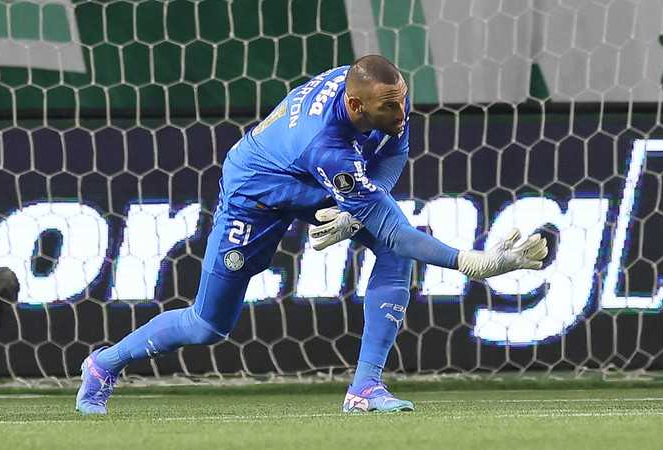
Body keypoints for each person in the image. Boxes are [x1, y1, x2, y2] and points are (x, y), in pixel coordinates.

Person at [75, 55, 548, 414]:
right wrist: (471, 262)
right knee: (208, 325)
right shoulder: (329, 144)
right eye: (392, 107)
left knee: (391, 250)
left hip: (313, 179)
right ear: (357, 104)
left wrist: (358, 205)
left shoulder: (381, 95)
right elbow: (394, 227)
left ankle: (364, 387)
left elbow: (392, 157)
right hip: (256, 193)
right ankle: (104, 364)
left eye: (404, 101)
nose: (402, 113)